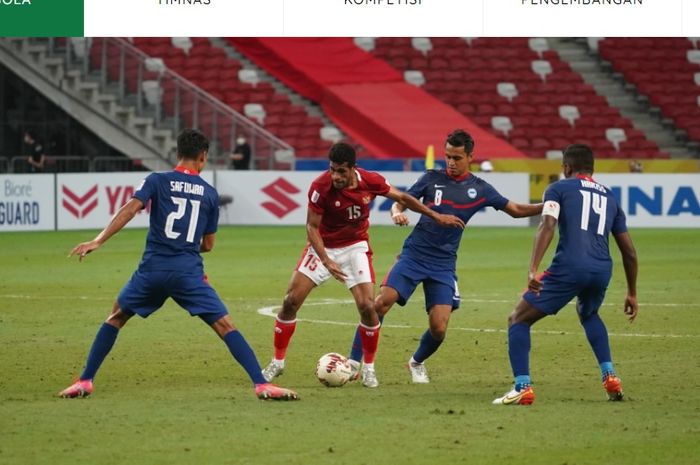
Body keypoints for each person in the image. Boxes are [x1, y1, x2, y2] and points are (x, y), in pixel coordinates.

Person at [59, 129, 298, 401]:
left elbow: (129, 209)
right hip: (188, 273)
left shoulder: (157, 180)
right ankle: (261, 383)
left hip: (152, 271)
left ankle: (86, 380)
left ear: (177, 153)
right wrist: (185, 247)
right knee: (225, 326)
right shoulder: (209, 193)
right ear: (203, 156)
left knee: (116, 317)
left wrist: (98, 240)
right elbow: (208, 245)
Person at [261, 142, 465, 388]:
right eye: (332, 170)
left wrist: (435, 215)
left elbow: (401, 197)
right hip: (323, 246)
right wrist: (326, 260)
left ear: (352, 169)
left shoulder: (370, 181)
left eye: (341, 171)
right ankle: (277, 362)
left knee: (368, 306)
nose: (335, 176)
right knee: (290, 301)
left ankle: (368, 368)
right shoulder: (320, 187)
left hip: (355, 247)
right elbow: (311, 227)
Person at [348, 129, 543, 384]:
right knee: (381, 303)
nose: (451, 162)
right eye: (448, 156)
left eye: (457, 158)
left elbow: (516, 210)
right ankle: (353, 362)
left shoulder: (481, 188)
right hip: (414, 254)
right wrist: (396, 212)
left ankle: (416, 362)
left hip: (443, 264)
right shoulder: (431, 179)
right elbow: (401, 201)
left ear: (470, 157)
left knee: (439, 328)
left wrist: (548, 205)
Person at [492, 144, 638, 405]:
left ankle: (522, 386)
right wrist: (632, 293)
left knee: (517, 319)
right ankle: (610, 376)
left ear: (567, 167)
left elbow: (547, 225)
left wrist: (533, 269)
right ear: (592, 168)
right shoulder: (610, 196)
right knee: (589, 313)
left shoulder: (558, 188)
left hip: (570, 266)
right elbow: (629, 252)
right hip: (602, 268)